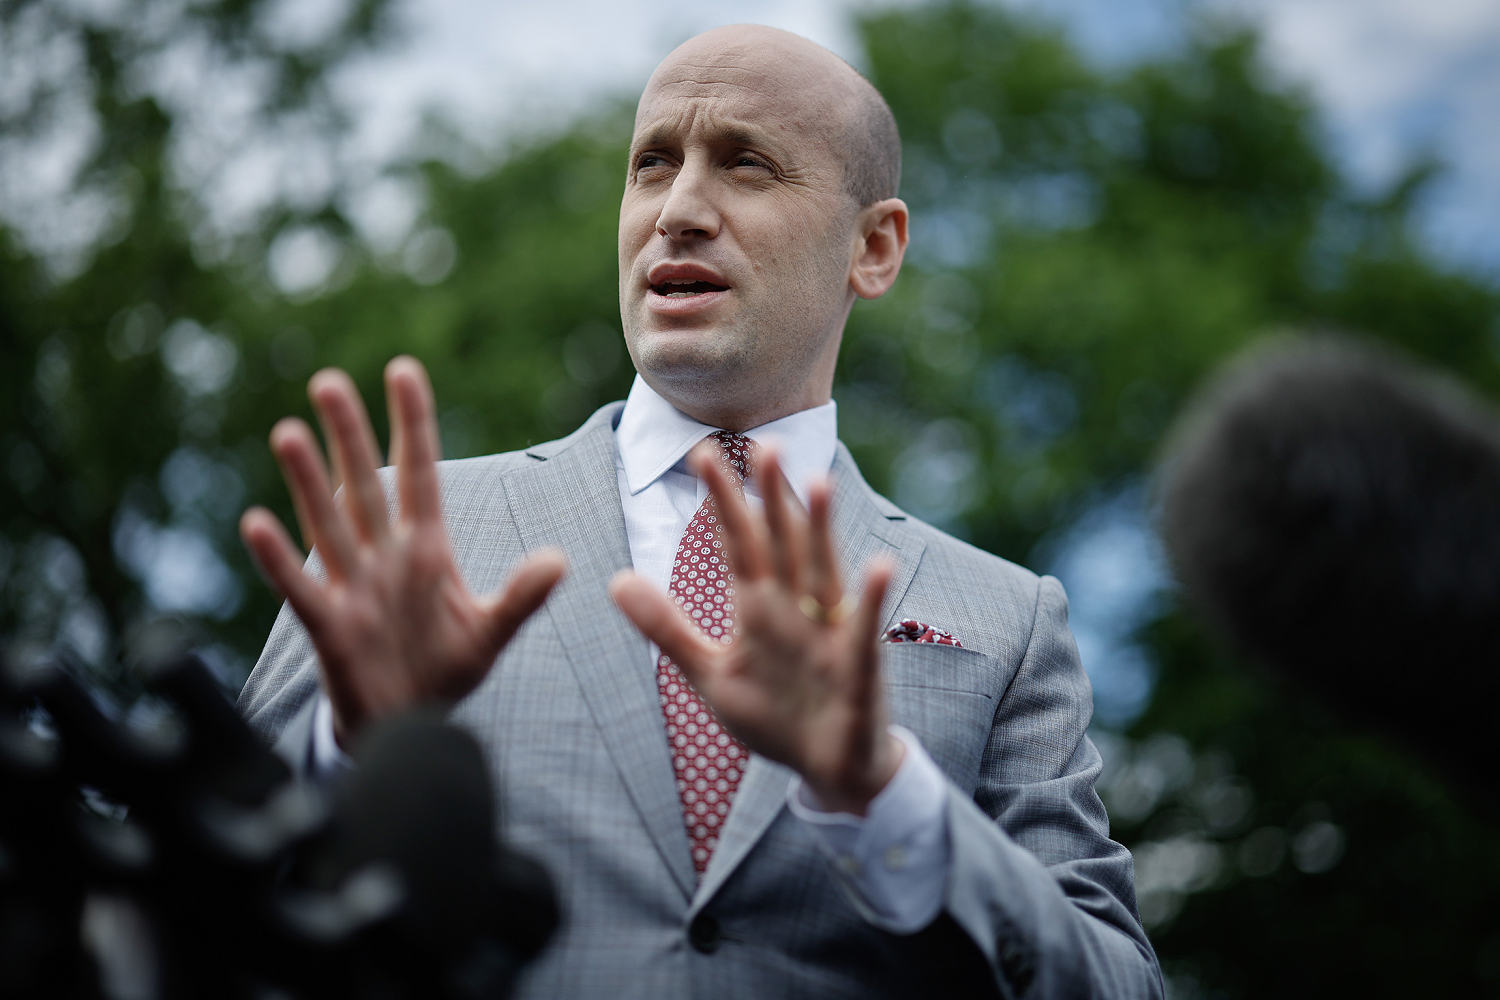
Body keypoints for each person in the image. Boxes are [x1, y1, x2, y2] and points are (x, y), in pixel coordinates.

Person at [238, 24, 1162, 999]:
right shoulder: (406, 532)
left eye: (746, 163)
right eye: (652, 164)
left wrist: (886, 798)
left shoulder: (1008, 621)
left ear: (874, 246)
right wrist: (348, 754)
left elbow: (1117, 981)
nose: (677, 210)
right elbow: (186, 902)